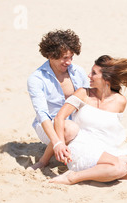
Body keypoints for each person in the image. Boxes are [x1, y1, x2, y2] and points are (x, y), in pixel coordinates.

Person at [49, 55, 127, 185]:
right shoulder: (83, 93)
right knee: (119, 168)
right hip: (82, 146)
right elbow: (60, 117)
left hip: (106, 148)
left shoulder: (120, 101)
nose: (89, 75)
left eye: (94, 73)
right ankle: (73, 177)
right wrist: (60, 144)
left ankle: (101, 172)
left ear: (106, 78)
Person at [27, 29, 89, 170]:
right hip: (50, 126)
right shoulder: (36, 79)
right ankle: (44, 161)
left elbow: (88, 100)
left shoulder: (78, 72)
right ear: (50, 55)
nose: (69, 62)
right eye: (64, 58)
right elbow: (42, 114)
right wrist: (57, 143)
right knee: (70, 128)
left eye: (71, 57)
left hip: (78, 122)